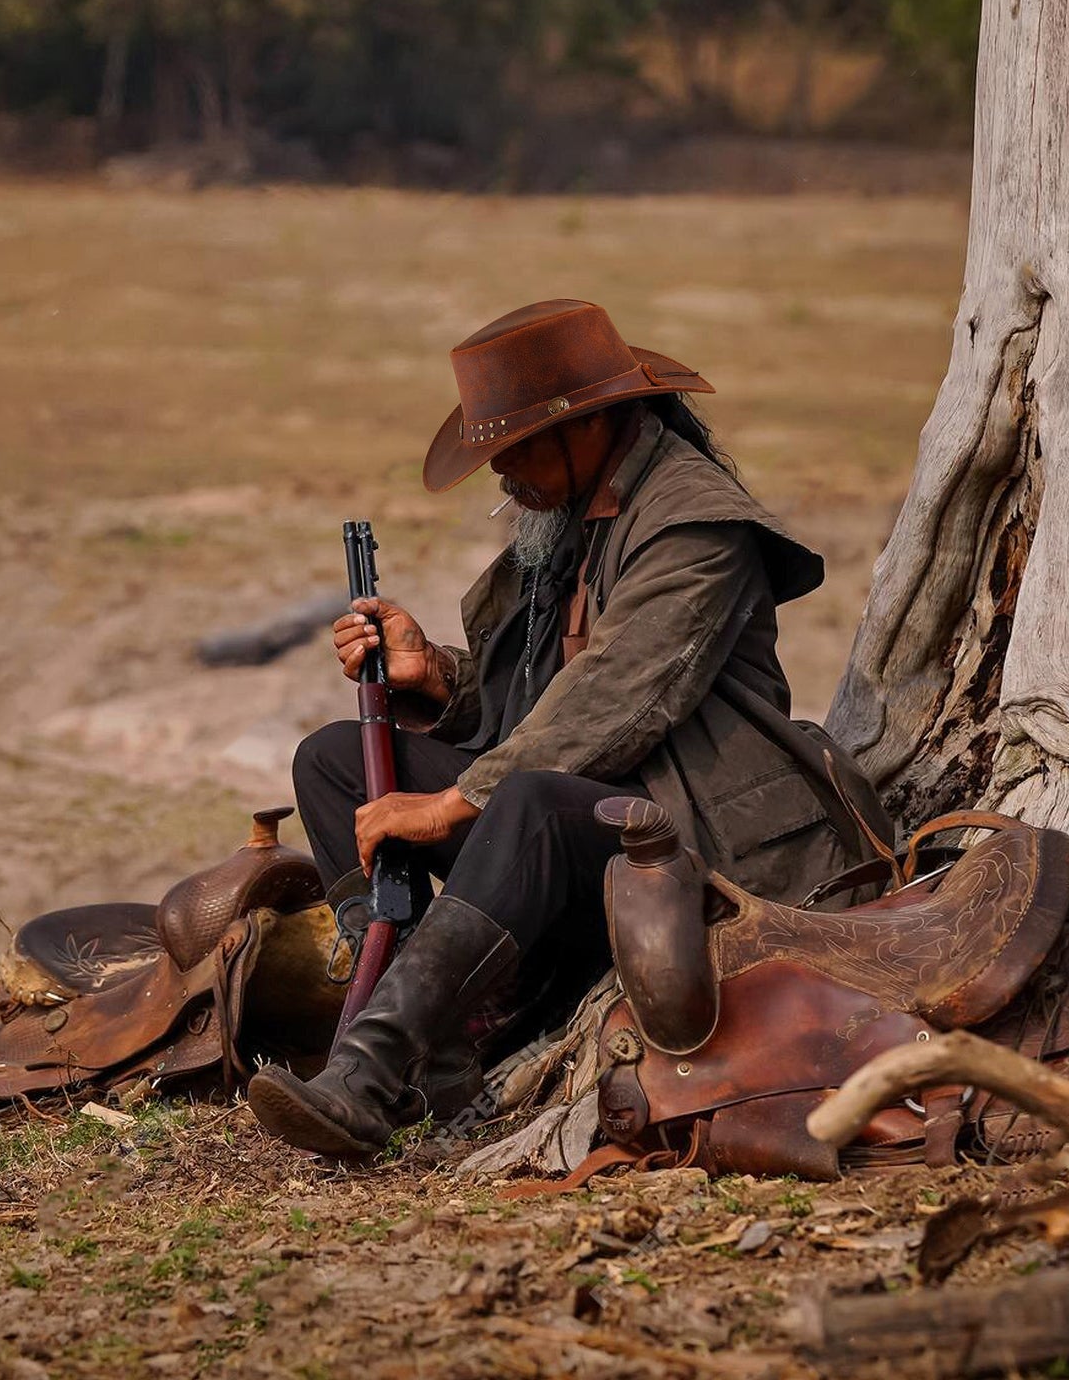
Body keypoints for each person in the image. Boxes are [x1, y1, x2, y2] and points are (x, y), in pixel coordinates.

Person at [248, 298, 888, 1158]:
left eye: (516, 447)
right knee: (332, 761)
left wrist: (450, 804)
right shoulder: (569, 521)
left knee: (528, 803)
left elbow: (612, 700)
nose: (500, 472)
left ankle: (368, 1073)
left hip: (702, 841)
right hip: (583, 819)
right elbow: (530, 700)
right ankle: (430, 1050)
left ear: (589, 425)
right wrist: (434, 676)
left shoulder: (695, 524)